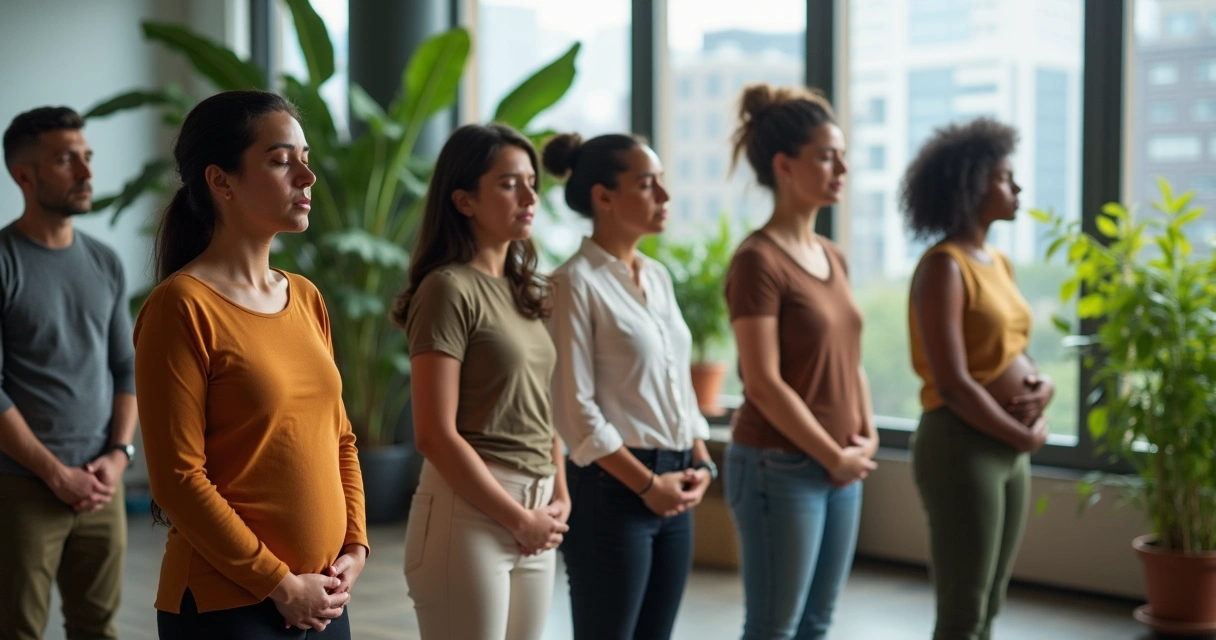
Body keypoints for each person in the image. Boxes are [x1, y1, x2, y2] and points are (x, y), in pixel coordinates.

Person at [133, 90, 368, 639]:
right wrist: (279, 586)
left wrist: (354, 545)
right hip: (230, 607)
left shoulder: (306, 296)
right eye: (282, 160)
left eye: (305, 158)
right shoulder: (181, 306)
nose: (307, 177)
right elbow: (177, 479)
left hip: (326, 593)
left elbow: (341, 439)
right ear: (222, 181)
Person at [394, 123, 570, 640]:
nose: (529, 195)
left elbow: (542, 406)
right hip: (468, 513)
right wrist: (518, 518)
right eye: (509, 183)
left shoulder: (523, 291)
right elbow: (434, 434)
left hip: (537, 509)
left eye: (532, 182)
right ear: (465, 200)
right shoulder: (447, 288)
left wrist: (560, 491)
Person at [542, 132, 715, 640]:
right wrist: (645, 484)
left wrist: (700, 459)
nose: (664, 197)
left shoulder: (657, 276)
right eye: (647, 184)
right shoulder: (571, 284)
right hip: (611, 492)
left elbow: (677, 385)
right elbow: (574, 410)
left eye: (661, 183)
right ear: (604, 197)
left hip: (675, 482)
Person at [723, 83, 878, 640]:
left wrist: (867, 436)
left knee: (817, 623)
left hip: (839, 464)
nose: (842, 167)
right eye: (827, 156)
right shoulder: (757, 261)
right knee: (774, 628)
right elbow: (762, 383)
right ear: (785, 166)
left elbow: (850, 360)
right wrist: (833, 455)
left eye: (842, 154)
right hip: (777, 467)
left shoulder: (831, 255)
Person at [904, 118, 1051, 640]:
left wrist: (1043, 386)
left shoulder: (998, 263)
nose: (1017, 189)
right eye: (1005, 177)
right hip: (962, 446)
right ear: (969, 184)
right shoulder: (943, 267)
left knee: (991, 601)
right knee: (963, 607)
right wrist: (1022, 434)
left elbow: (1014, 348)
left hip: (1008, 448)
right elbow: (953, 383)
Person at [0, 106, 137, 640]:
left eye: (87, 157)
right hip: (22, 488)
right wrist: (56, 474)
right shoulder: (5, 260)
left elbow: (125, 369)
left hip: (102, 485)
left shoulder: (105, 262)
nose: (86, 174)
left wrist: (117, 457)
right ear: (25, 176)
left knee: (98, 628)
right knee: (19, 631)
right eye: (66, 160)